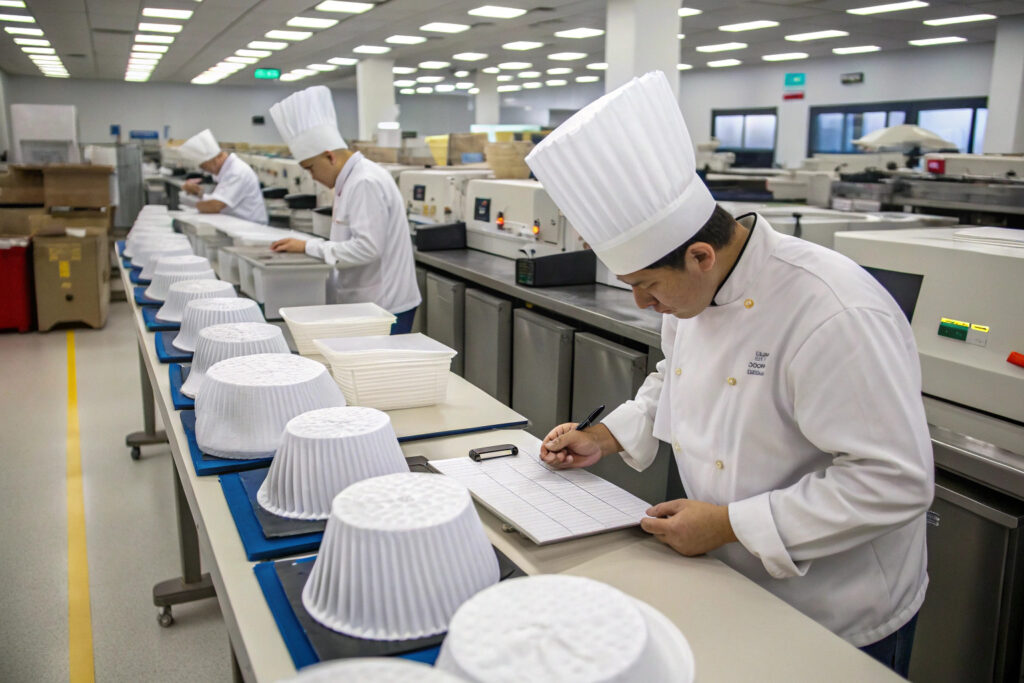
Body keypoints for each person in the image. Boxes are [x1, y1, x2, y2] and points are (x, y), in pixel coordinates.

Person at [526, 71, 933, 677]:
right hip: (726, 572)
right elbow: (675, 376)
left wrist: (729, 524)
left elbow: (895, 481)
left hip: (836, 607)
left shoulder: (834, 311)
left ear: (700, 255)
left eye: (646, 286)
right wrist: (608, 435)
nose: (642, 303)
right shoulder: (696, 292)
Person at [267, 85, 420, 334]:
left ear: (330, 156)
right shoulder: (351, 180)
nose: (312, 177)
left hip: (384, 306)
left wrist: (309, 247)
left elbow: (367, 248)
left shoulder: (364, 182)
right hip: (370, 302)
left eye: (310, 168)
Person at [177, 129, 268, 224]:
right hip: (239, 224)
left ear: (215, 160)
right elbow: (218, 200)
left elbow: (215, 206)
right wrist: (198, 193)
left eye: (205, 166)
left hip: (252, 227)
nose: (206, 171)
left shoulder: (236, 172)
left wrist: (192, 204)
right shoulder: (228, 171)